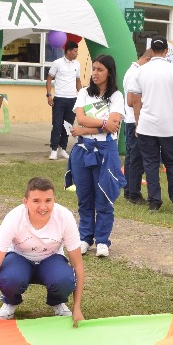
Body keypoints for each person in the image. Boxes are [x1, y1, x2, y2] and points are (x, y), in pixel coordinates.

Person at [0, 177, 84, 327]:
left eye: (48, 201)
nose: (43, 207)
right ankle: (10, 302)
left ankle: (57, 302)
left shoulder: (65, 217)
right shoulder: (13, 218)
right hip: (19, 258)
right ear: (25, 202)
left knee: (64, 279)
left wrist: (77, 308)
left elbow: (77, 265)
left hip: (51, 259)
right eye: (36, 201)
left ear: (54, 201)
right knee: (10, 279)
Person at [69, 54, 125, 258]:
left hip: (106, 151)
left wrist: (85, 130)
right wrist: (101, 125)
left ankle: (102, 240)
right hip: (84, 151)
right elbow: (81, 118)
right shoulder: (84, 93)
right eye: (93, 69)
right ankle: (84, 238)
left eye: (100, 69)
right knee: (84, 196)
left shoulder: (117, 96)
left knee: (104, 197)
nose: (95, 73)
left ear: (109, 72)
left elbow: (114, 125)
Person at [129, 38, 173, 213]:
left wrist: (138, 122)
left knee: (150, 164)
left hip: (147, 125)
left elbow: (134, 100)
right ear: (166, 51)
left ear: (151, 50)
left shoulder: (141, 71)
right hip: (169, 126)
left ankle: (154, 202)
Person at [121, 42, 157, 205]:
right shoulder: (136, 73)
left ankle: (129, 190)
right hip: (135, 121)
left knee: (131, 158)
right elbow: (132, 100)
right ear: (148, 60)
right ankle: (133, 193)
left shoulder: (133, 71)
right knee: (136, 158)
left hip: (132, 120)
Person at [46, 40, 82, 160]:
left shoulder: (77, 64)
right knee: (57, 125)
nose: (77, 53)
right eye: (75, 51)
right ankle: (54, 149)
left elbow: (78, 81)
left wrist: (81, 95)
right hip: (59, 98)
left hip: (72, 99)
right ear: (69, 51)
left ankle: (63, 149)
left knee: (68, 126)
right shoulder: (57, 63)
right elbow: (49, 79)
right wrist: (49, 95)